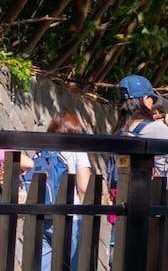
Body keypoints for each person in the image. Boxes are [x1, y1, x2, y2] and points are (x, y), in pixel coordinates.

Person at [34, 113, 92, 271]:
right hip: (69, 216)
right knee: (71, 265)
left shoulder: (42, 150)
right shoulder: (77, 149)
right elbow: (84, 186)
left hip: (42, 214)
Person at [114, 75, 168, 177]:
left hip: (123, 184)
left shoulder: (119, 131)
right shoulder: (156, 128)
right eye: (153, 99)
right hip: (152, 185)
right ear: (146, 99)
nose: (153, 103)